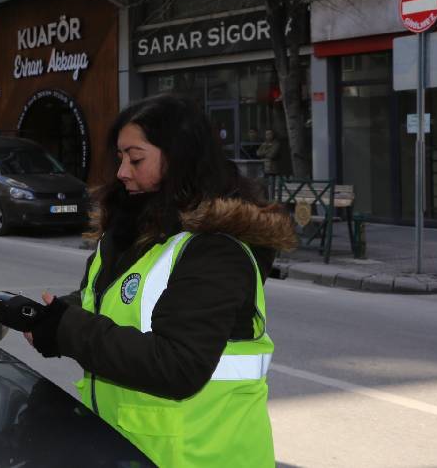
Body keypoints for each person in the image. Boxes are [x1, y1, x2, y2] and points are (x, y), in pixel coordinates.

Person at [19, 94, 294, 467]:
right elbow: (112, 302)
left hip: (200, 456)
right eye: (119, 158)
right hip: (131, 450)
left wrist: (68, 330)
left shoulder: (214, 249)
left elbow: (177, 366)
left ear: (179, 159)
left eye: (136, 158)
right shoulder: (131, 229)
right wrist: (55, 315)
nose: (122, 172)